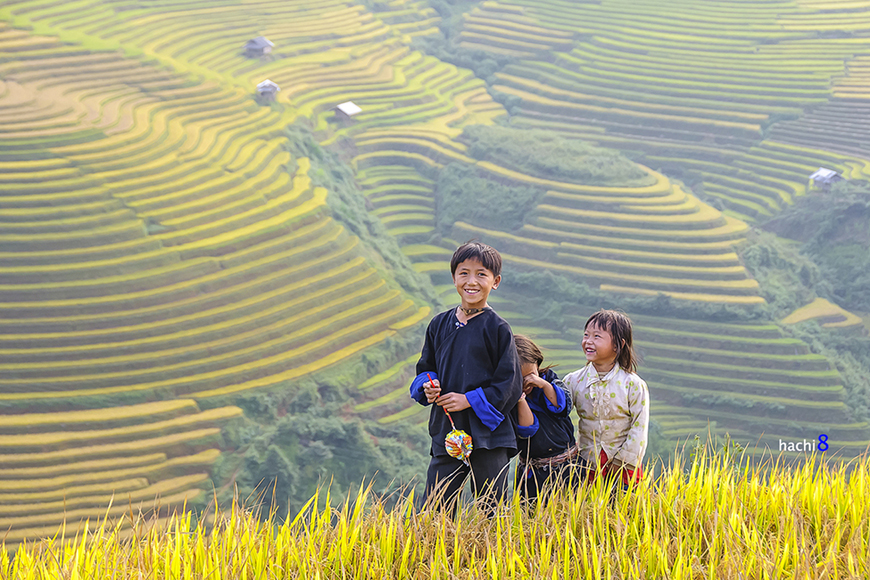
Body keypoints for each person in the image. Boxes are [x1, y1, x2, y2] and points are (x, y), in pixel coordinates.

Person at [409, 241, 522, 511]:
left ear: (495, 282)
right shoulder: (439, 324)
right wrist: (428, 386)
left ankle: (489, 554)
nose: (472, 281)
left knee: (490, 508)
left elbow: (510, 384)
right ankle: (435, 553)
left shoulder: (498, 329)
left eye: (481, 274)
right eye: (464, 273)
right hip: (447, 431)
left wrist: (468, 399)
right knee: (435, 507)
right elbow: (425, 367)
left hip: (488, 436)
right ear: (454, 278)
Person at [562, 310, 649, 490]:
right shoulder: (573, 381)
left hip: (623, 469)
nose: (588, 341)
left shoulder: (632, 384)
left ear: (618, 345)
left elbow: (639, 427)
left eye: (597, 336)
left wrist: (623, 461)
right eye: (586, 335)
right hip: (587, 464)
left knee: (622, 513)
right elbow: (559, 412)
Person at [514, 334, 585, 502]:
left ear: (538, 366)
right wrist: (520, 399)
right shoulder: (509, 399)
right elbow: (528, 430)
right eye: (519, 378)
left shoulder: (549, 379)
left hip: (568, 467)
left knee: (571, 514)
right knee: (531, 516)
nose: (526, 383)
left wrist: (544, 385)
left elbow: (562, 407)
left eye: (530, 375)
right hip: (533, 472)